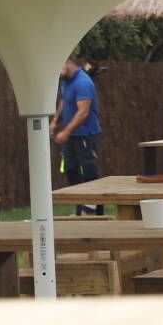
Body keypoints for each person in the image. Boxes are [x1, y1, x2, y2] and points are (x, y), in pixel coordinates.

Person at [55, 57, 102, 212]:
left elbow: (83, 112)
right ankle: (81, 204)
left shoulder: (83, 83)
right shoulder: (66, 80)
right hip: (71, 135)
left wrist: (65, 131)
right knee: (70, 169)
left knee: (89, 169)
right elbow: (64, 101)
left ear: (68, 61)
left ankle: (95, 208)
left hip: (85, 134)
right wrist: (55, 120)